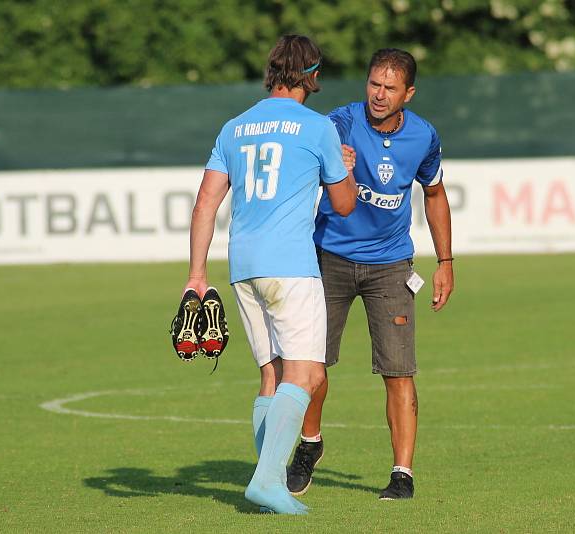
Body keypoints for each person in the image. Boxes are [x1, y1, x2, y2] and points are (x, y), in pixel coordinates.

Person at [184, 34, 356, 514]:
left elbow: (205, 203)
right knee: (308, 372)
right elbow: (343, 206)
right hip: (290, 266)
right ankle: (267, 482)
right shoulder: (317, 127)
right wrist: (348, 168)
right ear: (312, 75)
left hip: (243, 266)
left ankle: (270, 485)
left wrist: (197, 273)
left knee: (271, 374)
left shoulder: (234, 127)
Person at [286, 48, 454, 500]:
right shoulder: (340, 121)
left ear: (409, 94)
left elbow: (435, 195)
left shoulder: (424, 136)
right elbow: (308, 155)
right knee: (311, 365)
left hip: (391, 265)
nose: (379, 95)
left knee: (399, 371)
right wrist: (328, 160)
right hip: (329, 258)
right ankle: (309, 445)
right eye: (373, 84)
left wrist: (445, 263)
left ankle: (403, 474)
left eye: (390, 88)